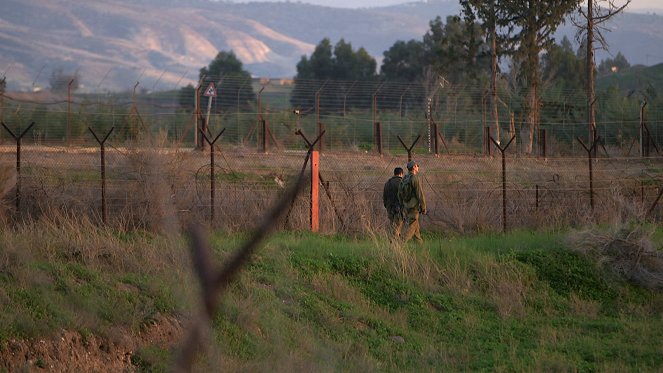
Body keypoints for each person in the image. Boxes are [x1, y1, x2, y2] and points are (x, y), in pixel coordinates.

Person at [398, 160, 427, 243]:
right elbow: (420, 194)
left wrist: (402, 204)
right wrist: (424, 207)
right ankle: (401, 243)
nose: (418, 167)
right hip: (414, 207)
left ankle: (420, 245)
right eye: (417, 166)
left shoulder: (404, 178)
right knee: (412, 227)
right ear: (414, 167)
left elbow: (399, 193)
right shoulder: (414, 178)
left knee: (416, 229)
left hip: (406, 206)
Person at [383, 167, 404, 239]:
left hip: (389, 208)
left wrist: (387, 206)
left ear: (394, 173)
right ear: (401, 174)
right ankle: (394, 243)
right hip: (399, 208)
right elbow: (405, 196)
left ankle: (395, 243)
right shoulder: (402, 182)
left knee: (393, 225)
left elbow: (384, 197)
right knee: (397, 227)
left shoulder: (387, 183)